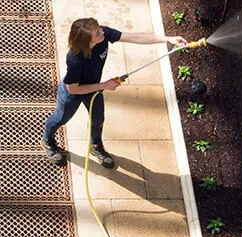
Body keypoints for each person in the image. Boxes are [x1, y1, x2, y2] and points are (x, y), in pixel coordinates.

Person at [43, 17, 187, 168]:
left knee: (98, 119)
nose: (102, 32)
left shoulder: (104, 34)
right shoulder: (75, 59)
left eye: (99, 29)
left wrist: (168, 39)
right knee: (60, 118)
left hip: (94, 89)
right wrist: (104, 85)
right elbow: (72, 88)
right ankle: (47, 141)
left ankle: (95, 146)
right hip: (73, 94)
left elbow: (134, 37)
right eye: (97, 34)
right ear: (87, 42)